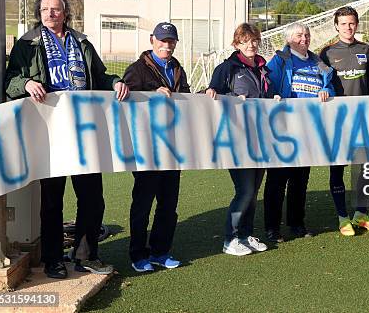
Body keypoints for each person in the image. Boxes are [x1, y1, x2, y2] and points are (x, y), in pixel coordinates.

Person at [5, 0, 129, 279]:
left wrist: (116, 82)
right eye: (45, 9)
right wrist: (25, 84)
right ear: (39, 13)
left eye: (56, 9)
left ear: (65, 12)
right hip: (49, 130)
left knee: (91, 197)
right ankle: (52, 258)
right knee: (52, 199)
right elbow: (10, 80)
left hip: (84, 132)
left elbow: (100, 75)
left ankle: (87, 255)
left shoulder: (81, 42)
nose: (50, 13)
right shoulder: (28, 44)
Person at [206, 23, 279, 255]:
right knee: (245, 190)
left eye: (254, 40)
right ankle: (231, 238)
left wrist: (273, 97)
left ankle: (246, 235)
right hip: (236, 139)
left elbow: (266, 96)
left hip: (261, 138)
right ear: (236, 44)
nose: (251, 45)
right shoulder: (227, 68)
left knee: (253, 190)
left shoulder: (263, 69)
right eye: (245, 40)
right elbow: (212, 95)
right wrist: (225, 96)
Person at [123, 22, 189, 272]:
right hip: (145, 149)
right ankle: (138, 254)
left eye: (171, 41)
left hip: (172, 149)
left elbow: (187, 99)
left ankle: (161, 251)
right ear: (152, 40)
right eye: (162, 40)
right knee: (142, 203)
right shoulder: (137, 69)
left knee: (168, 204)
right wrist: (151, 91)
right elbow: (126, 99)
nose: (167, 45)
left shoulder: (177, 68)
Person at [264, 22, 335, 243]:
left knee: (300, 180)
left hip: (308, 130)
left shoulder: (317, 62)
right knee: (277, 181)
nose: (304, 39)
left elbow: (329, 84)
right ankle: (272, 228)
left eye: (306, 35)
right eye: (298, 35)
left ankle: (296, 223)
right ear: (288, 39)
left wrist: (326, 90)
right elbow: (269, 86)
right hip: (283, 130)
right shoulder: (279, 60)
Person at [319, 6, 369, 236]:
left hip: (363, 119)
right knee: (337, 168)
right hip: (338, 120)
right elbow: (321, 84)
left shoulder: (365, 49)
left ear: (357, 24)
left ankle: (361, 214)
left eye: (352, 23)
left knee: (367, 167)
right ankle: (342, 217)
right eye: (343, 23)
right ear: (336, 26)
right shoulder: (326, 53)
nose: (348, 27)